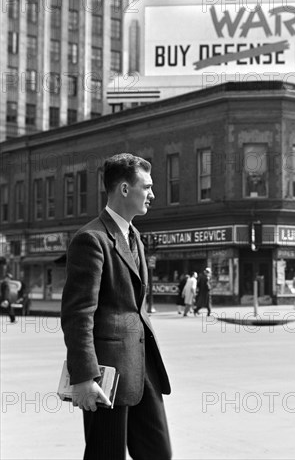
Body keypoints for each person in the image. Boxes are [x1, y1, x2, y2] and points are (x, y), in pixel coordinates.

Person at [61, 154, 171, 460]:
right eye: (146, 186)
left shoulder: (135, 236)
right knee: (105, 455)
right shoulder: (91, 239)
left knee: (158, 452)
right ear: (124, 189)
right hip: (107, 375)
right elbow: (77, 315)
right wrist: (84, 377)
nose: (152, 194)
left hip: (143, 368)